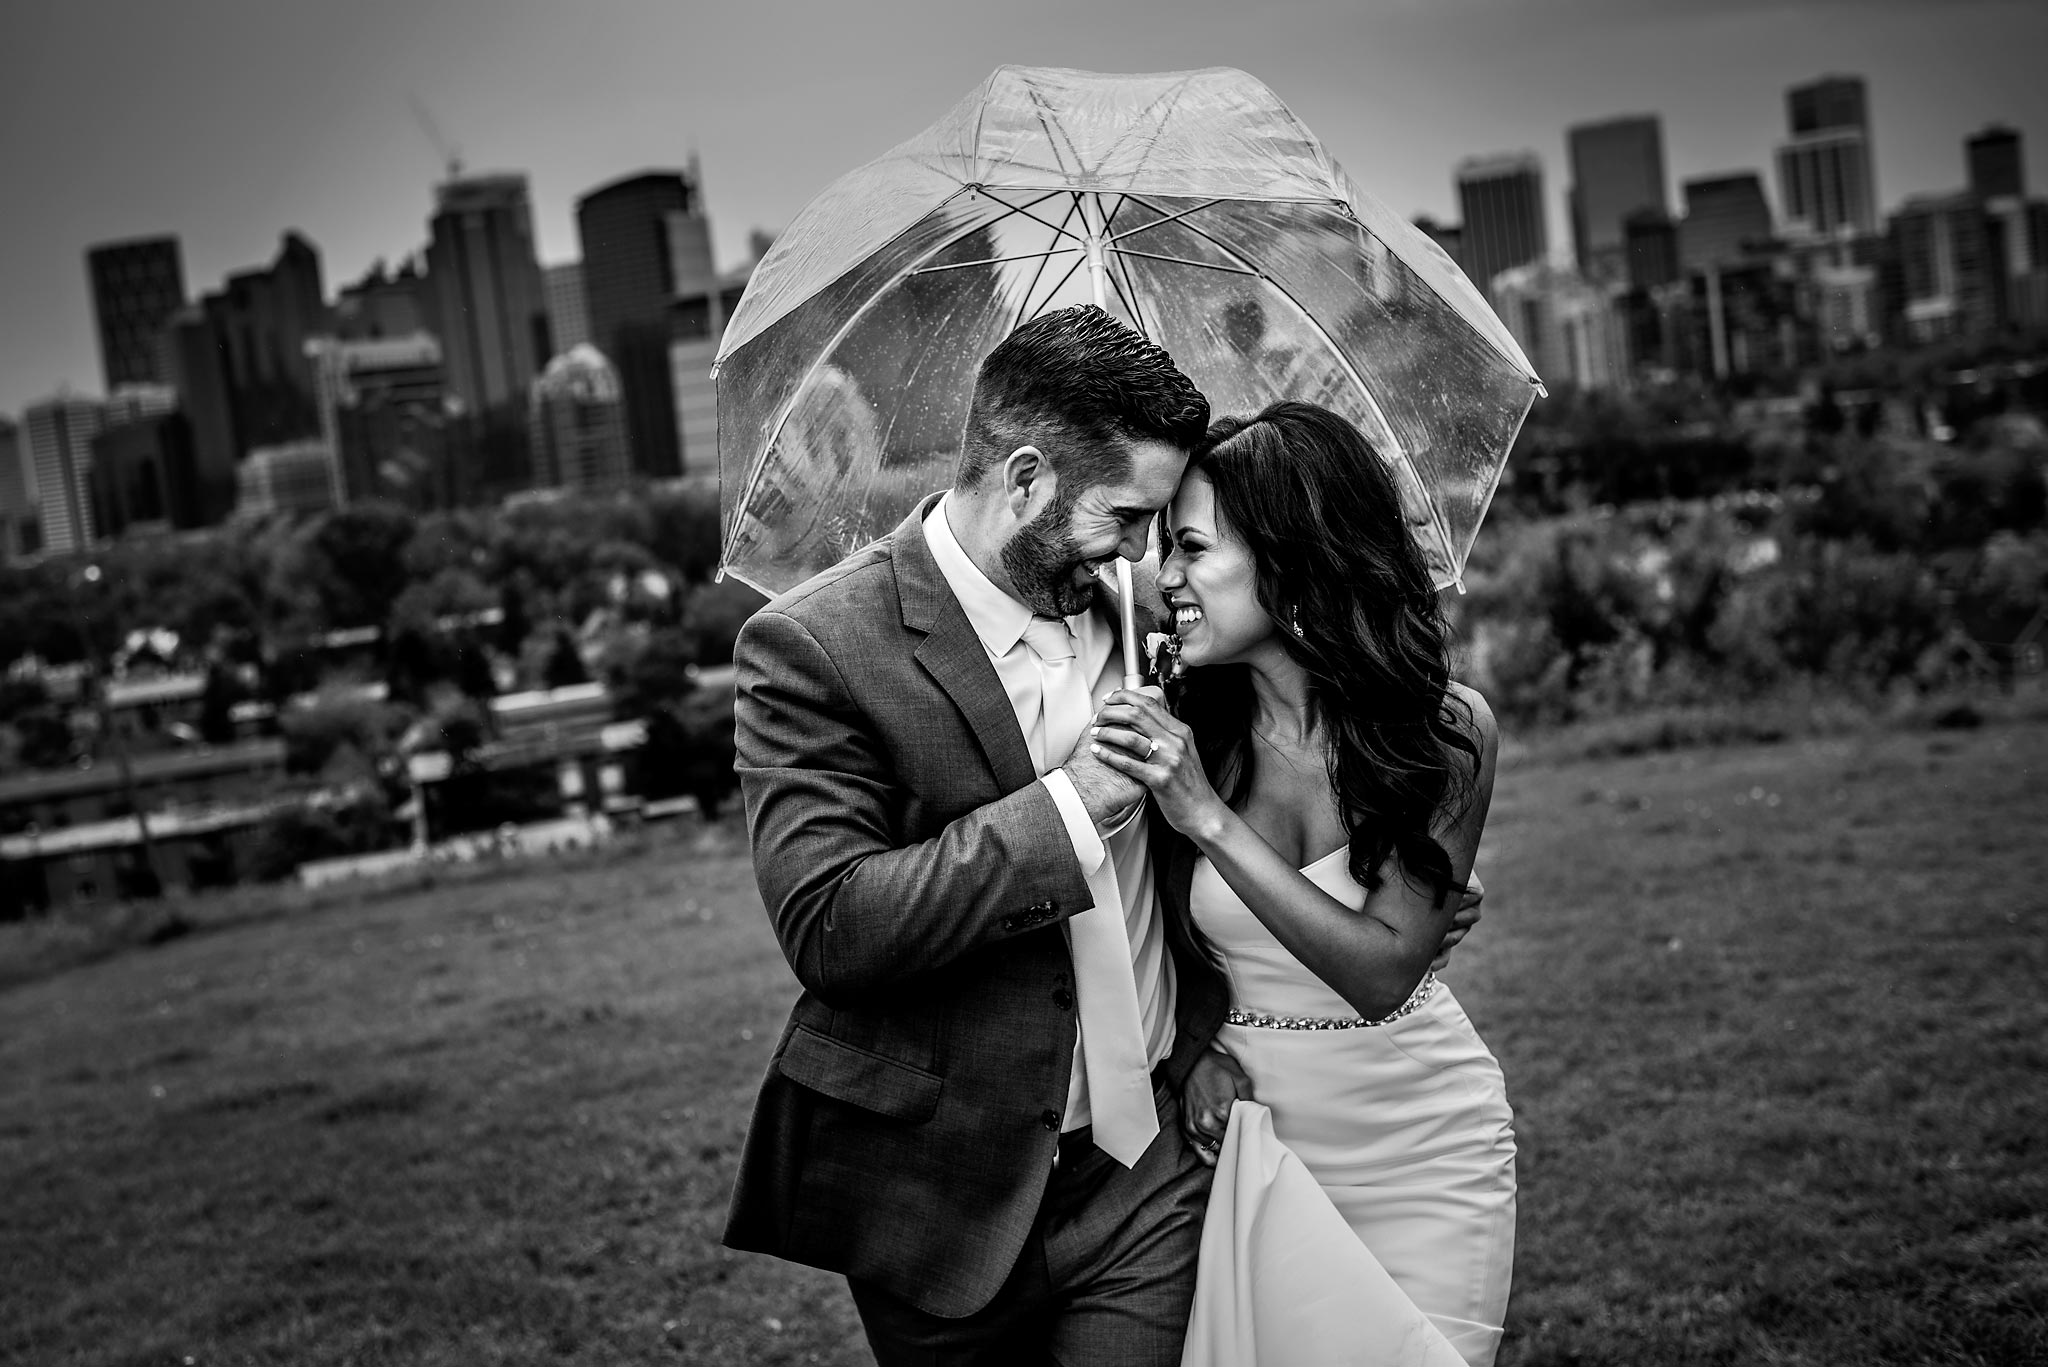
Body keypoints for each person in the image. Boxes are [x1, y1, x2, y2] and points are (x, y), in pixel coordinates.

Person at [723, 305, 1226, 1366]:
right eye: (1124, 516)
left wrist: (1385, 878)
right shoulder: (812, 646)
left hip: (1143, 1172)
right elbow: (830, 925)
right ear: (1027, 479)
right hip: (940, 1194)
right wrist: (1068, 806)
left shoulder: (1145, 611)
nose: (1141, 551)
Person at [1088, 400, 1517, 1367]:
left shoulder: (1444, 733)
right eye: (1163, 548)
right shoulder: (1174, 725)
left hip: (1423, 1145)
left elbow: (1381, 973)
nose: (1164, 579)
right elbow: (1145, 935)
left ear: (1292, 556)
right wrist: (1189, 1051)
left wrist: (1205, 815)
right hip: (1250, 1142)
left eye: (1191, 549)